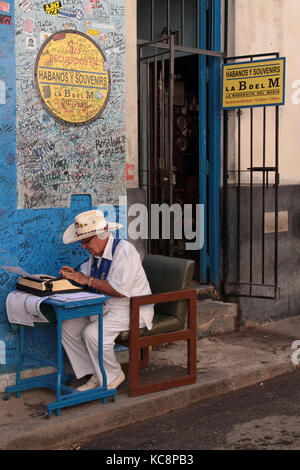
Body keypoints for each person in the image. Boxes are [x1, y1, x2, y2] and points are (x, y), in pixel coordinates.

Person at [60, 209, 154, 392]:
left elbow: (119, 290)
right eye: (81, 241)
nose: (83, 246)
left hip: (133, 309)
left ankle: (112, 375)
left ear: (101, 235)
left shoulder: (124, 251)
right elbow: (87, 272)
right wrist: (74, 275)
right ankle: (96, 372)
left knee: (92, 334)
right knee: (68, 326)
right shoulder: (96, 254)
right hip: (106, 308)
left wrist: (86, 280)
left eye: (85, 241)